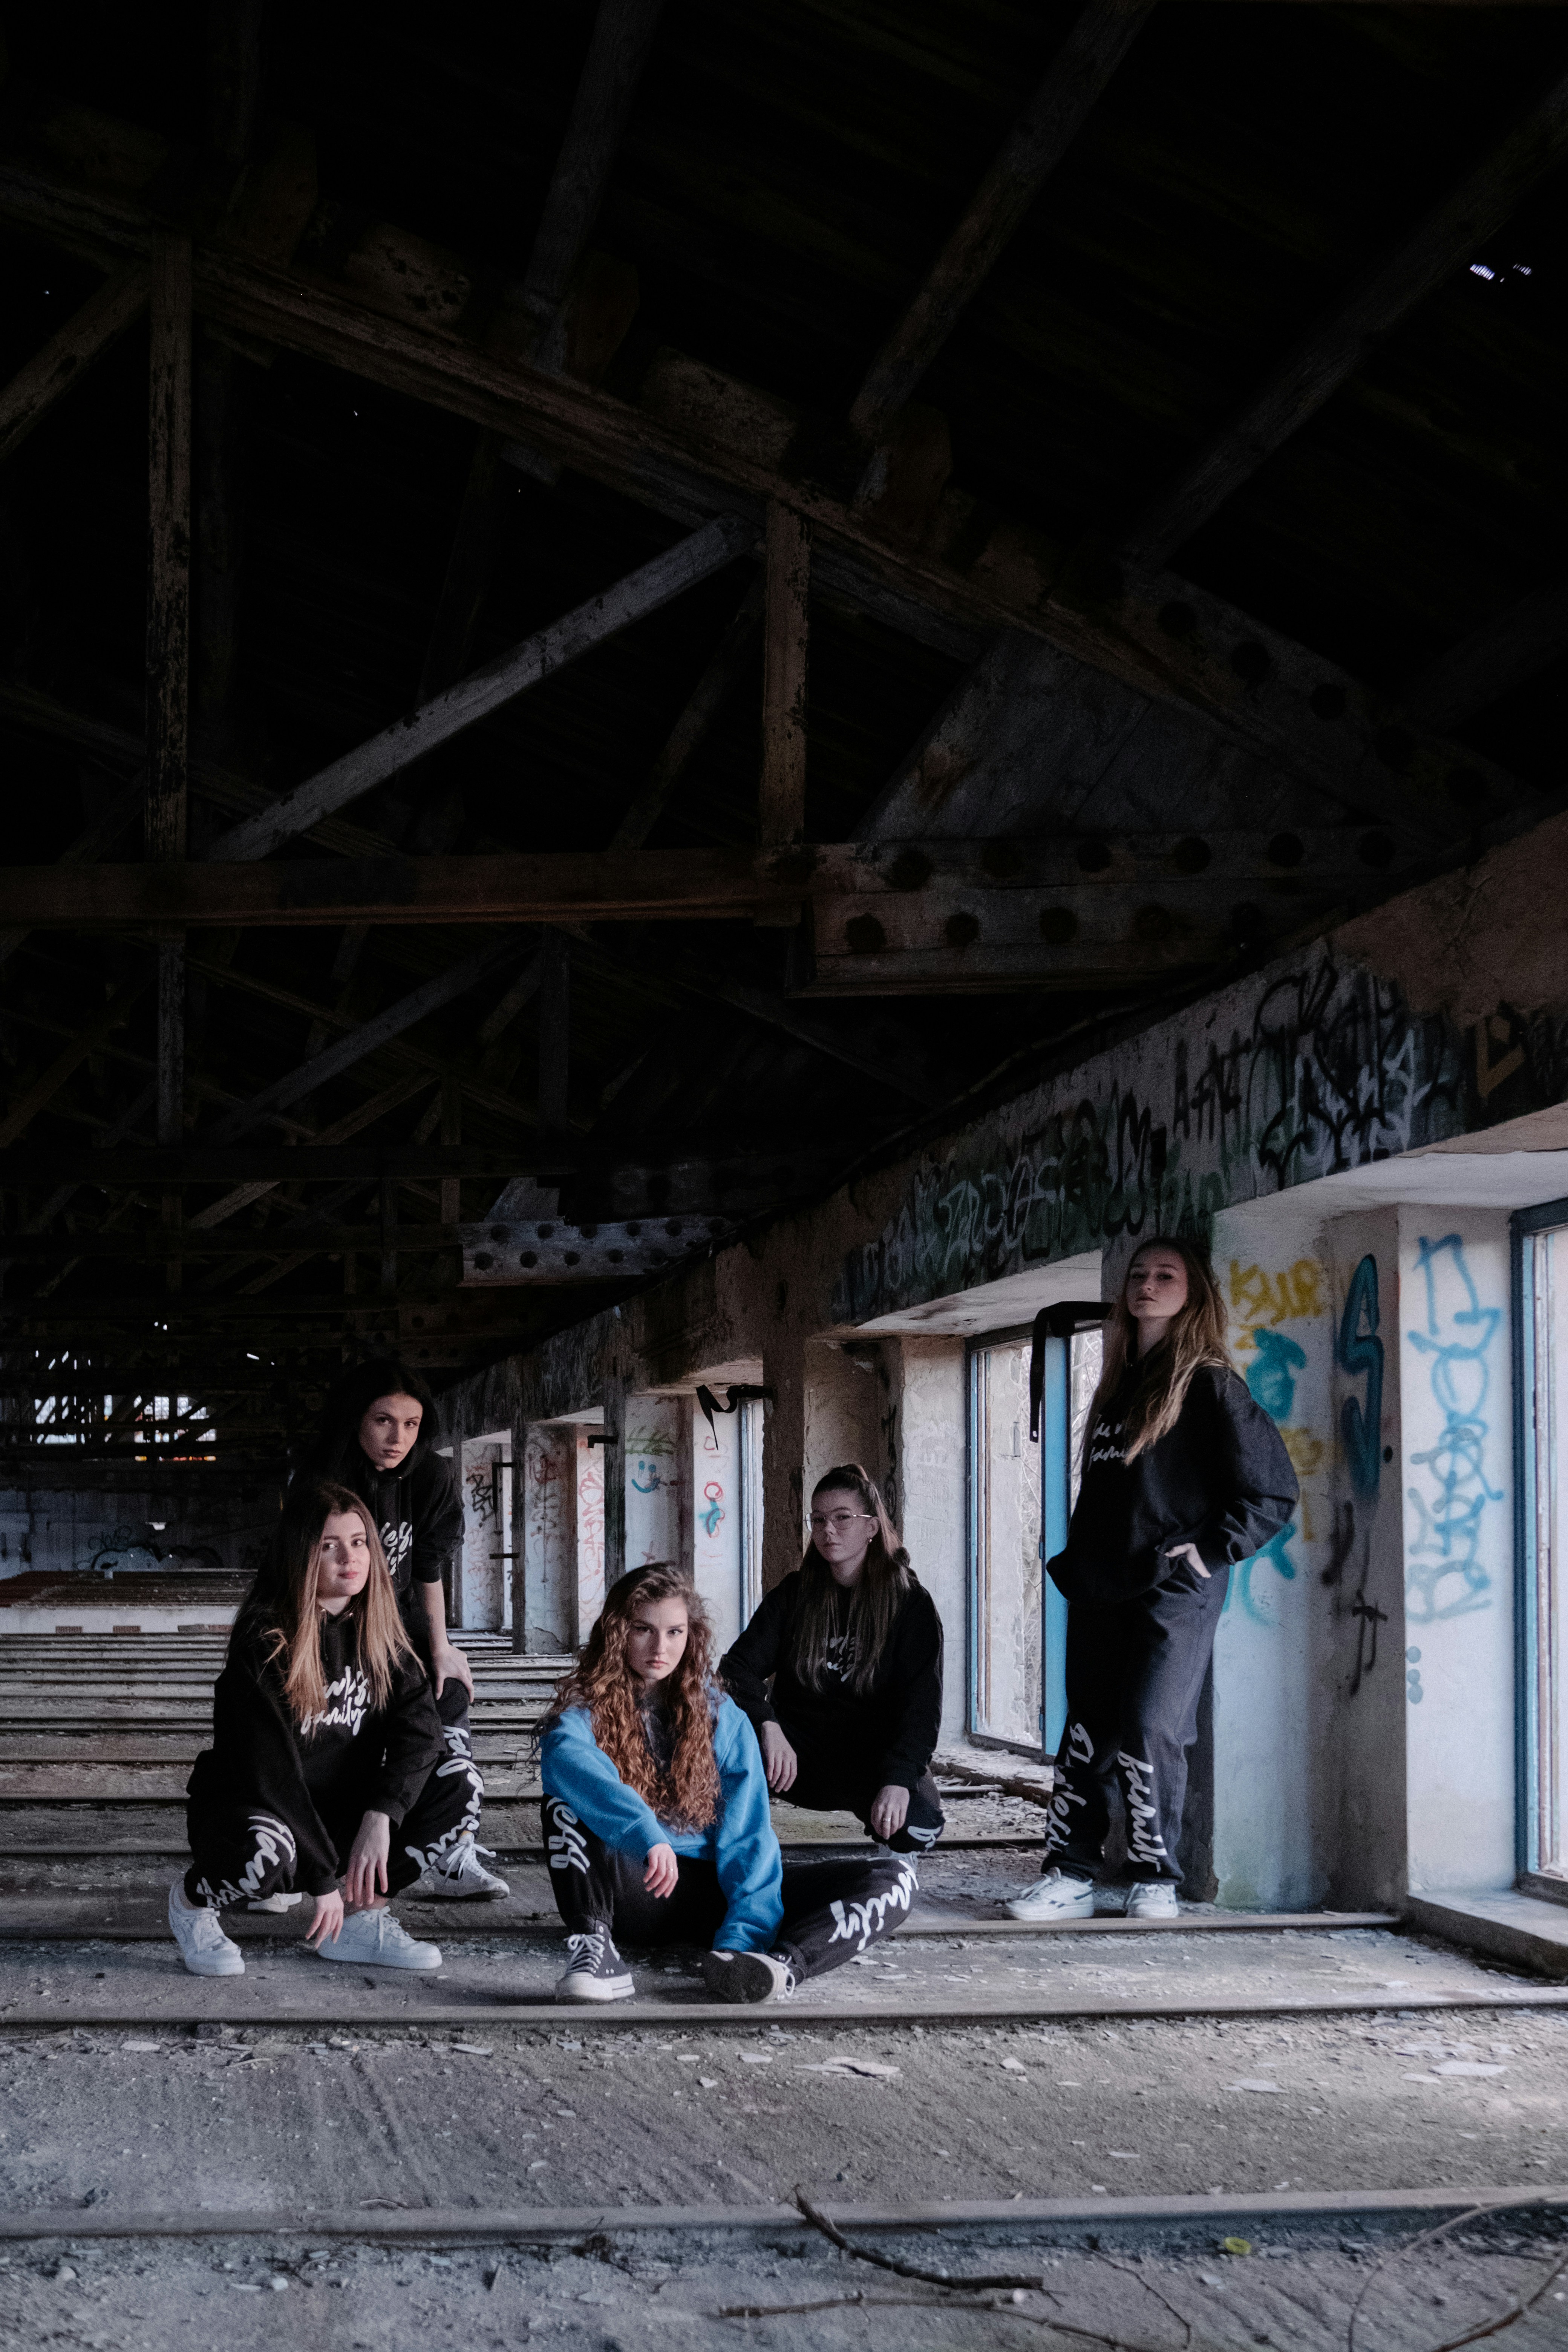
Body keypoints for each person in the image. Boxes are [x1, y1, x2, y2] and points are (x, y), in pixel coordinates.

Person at [1004, 1236, 1298, 1924]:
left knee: (1149, 1726)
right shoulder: (1117, 1386)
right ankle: (1071, 1875)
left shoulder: (1210, 1383)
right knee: (1088, 1732)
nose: (1148, 1284)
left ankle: (1155, 1879)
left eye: (1166, 1275)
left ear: (1192, 1292)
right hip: (1103, 1584)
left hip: (1172, 1592)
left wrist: (1209, 1552)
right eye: (1138, 1274)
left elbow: (1272, 1492)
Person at [539, 1562, 918, 2003]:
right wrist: (643, 1834)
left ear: (691, 1635)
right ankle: (595, 1947)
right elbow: (566, 1756)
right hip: (636, 1887)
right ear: (617, 1631)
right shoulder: (588, 1709)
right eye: (643, 1629)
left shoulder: (721, 1715)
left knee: (894, 1878)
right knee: (564, 1804)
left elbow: (748, 1835)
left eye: (675, 1632)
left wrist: (741, 1938)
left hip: (714, 1896)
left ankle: (775, 1967)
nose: (660, 1647)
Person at [168, 1480, 472, 1977]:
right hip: (260, 1811)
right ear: (300, 1555)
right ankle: (191, 1903)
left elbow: (421, 1732)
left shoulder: (382, 1634)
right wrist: (321, 1879)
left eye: (358, 1543)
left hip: (343, 1815)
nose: (347, 1558)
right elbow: (273, 1775)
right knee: (265, 1855)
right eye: (328, 1546)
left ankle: (361, 1920)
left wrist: (382, 1815)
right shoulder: (266, 1640)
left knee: (460, 1787)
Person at [297, 1356, 506, 1899]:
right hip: (335, 1629)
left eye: (411, 1425)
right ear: (357, 1419)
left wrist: (440, 1646)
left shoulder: (430, 1475)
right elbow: (296, 1573)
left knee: (450, 1692)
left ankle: (451, 1850)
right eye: (383, 1421)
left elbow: (429, 1568)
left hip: (402, 1629)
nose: (398, 1437)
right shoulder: (323, 1475)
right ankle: (304, 1849)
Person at [719, 1464, 945, 1854]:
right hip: (793, 1756)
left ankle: (890, 1858)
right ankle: (722, 1859)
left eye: (843, 1518)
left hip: (870, 1757)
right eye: (819, 1520)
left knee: (918, 1827)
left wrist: (899, 1779)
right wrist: (766, 1725)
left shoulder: (910, 1603)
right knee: (707, 1770)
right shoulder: (795, 1593)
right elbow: (736, 1670)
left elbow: (922, 1706)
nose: (828, 1530)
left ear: (871, 1527)